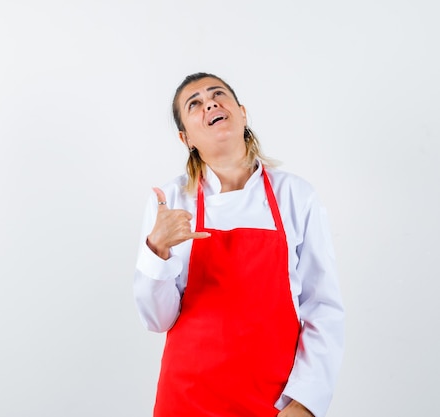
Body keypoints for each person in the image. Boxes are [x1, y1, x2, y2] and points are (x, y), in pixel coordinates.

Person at [133, 72, 344, 417]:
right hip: (187, 399)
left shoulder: (295, 196)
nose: (210, 103)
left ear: (242, 113)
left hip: (274, 402)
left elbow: (323, 307)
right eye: (195, 103)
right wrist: (158, 249)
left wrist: (305, 402)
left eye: (217, 94)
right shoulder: (171, 202)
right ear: (186, 138)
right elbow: (158, 320)